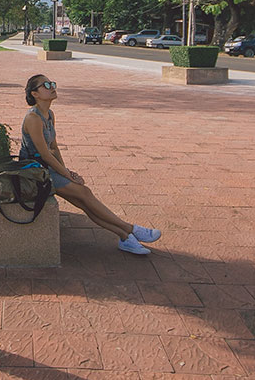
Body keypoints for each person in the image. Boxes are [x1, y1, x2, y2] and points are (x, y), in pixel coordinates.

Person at [20, 74, 162, 255]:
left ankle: (124, 237)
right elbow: (46, 155)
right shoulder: (33, 118)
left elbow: (54, 147)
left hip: (49, 168)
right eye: (46, 85)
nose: (52, 87)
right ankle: (131, 229)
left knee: (84, 203)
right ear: (35, 94)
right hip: (36, 171)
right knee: (85, 193)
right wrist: (66, 174)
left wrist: (67, 172)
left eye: (52, 83)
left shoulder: (49, 115)